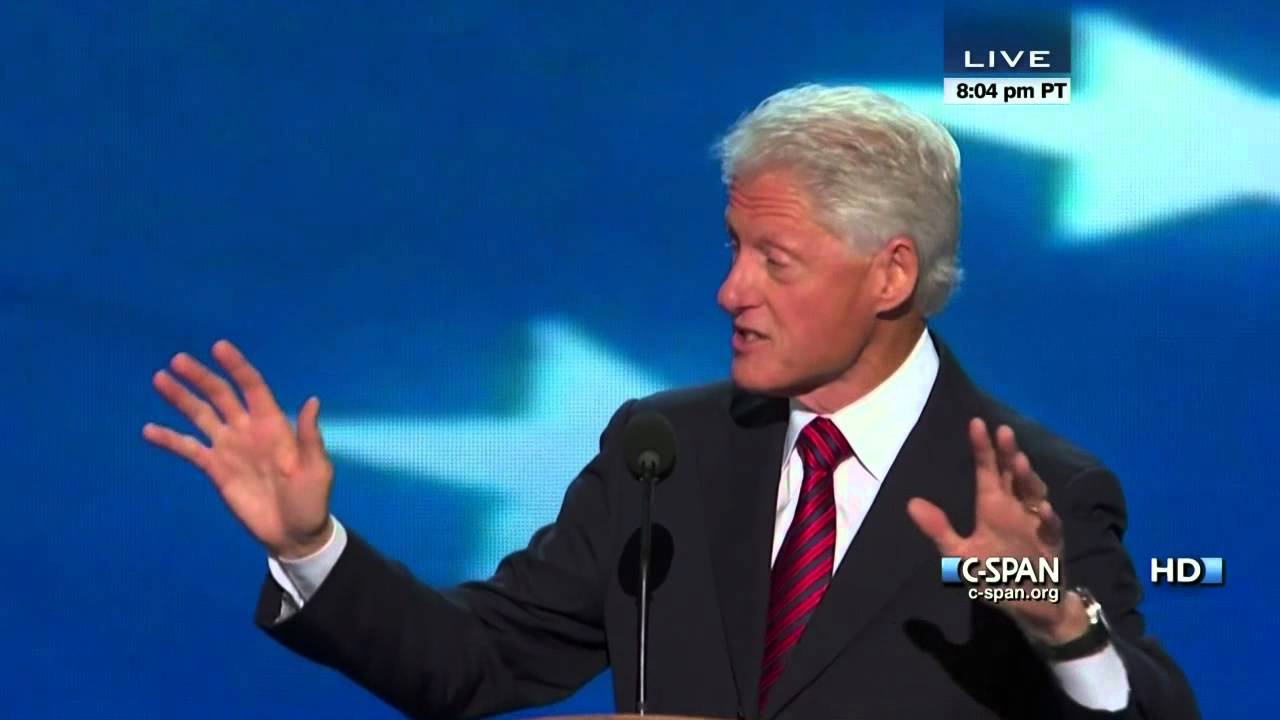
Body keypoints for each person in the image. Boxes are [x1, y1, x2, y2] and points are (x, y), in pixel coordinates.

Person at [142, 84, 1197, 719]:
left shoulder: (1034, 489)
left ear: (887, 275)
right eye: (731, 250)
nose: (728, 291)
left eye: (773, 261)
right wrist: (311, 543)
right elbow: (479, 664)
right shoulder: (665, 452)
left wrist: (1061, 622)